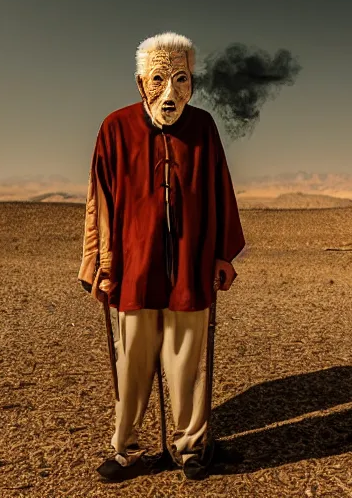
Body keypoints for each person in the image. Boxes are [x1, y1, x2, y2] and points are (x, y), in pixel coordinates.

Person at [77, 32, 245, 480]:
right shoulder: (115, 129)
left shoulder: (204, 127)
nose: (170, 94)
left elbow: (219, 191)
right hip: (133, 270)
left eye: (181, 79)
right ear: (140, 84)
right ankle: (127, 449)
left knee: (186, 362)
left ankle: (190, 447)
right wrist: (101, 265)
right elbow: (101, 201)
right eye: (158, 80)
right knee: (130, 362)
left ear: (192, 84)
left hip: (191, 268)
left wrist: (223, 254)